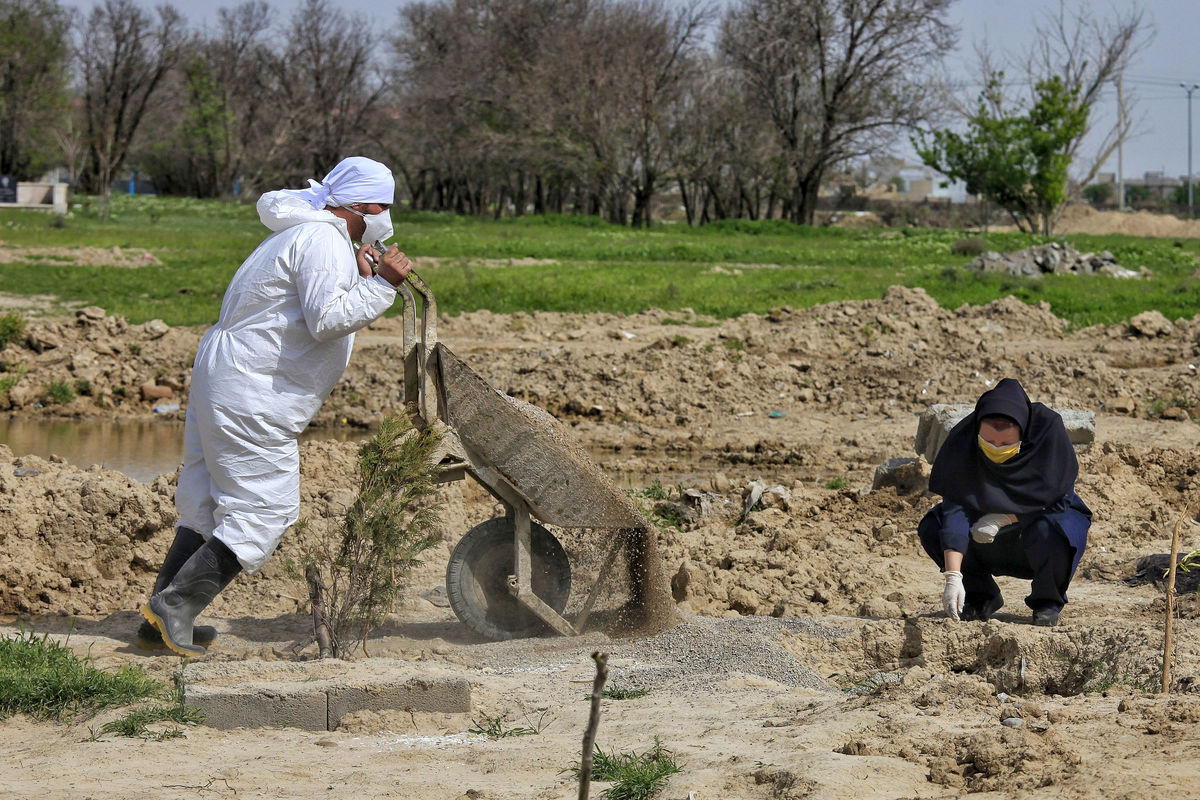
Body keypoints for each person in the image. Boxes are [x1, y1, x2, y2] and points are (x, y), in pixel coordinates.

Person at [138, 156, 413, 656]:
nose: (386, 218)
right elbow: (326, 319)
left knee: (205, 499)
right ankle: (175, 607)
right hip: (253, 388)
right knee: (267, 508)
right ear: (362, 205)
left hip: (226, 373)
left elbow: (306, 302)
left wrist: (359, 273)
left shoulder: (306, 235)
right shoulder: (325, 240)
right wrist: (382, 285)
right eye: (383, 207)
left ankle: (161, 610)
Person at [917, 378, 1091, 627]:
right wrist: (952, 577)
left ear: (1023, 433)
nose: (996, 448)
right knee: (934, 526)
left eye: (1006, 444)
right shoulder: (964, 440)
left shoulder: (1046, 431)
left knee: (1059, 528)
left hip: (1038, 530)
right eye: (988, 442)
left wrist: (1004, 518)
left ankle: (1047, 602)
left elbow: (1056, 499)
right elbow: (955, 508)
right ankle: (980, 596)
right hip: (984, 538)